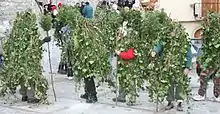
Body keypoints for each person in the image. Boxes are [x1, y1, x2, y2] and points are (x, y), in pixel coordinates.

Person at [151, 40, 192, 111]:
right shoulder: (166, 39)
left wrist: (187, 67)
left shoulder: (183, 40)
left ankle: (179, 102)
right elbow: (159, 46)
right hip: (168, 66)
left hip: (180, 66)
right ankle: (170, 102)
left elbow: (189, 54)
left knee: (180, 84)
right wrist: (155, 51)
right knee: (169, 84)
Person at [80, 2, 97, 103]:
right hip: (84, 55)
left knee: (88, 75)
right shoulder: (84, 29)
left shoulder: (91, 30)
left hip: (90, 56)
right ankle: (87, 93)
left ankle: (93, 95)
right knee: (85, 75)